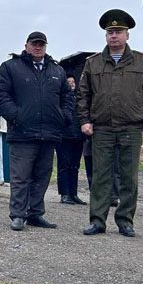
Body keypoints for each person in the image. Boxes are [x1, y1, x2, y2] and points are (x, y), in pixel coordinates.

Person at [77, 9, 143, 237]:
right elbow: (83, 95)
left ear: (127, 35)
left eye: (118, 31)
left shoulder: (142, 62)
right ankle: (97, 221)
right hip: (102, 127)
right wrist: (85, 120)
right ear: (106, 36)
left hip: (131, 127)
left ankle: (125, 221)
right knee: (101, 176)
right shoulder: (92, 63)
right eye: (110, 32)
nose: (114, 36)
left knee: (128, 177)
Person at [0, 31, 73, 230]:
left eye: (41, 44)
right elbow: (0, 95)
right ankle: (18, 215)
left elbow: (67, 97)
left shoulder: (57, 70)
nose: (38, 47)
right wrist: (16, 116)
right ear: (26, 45)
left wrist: (64, 116)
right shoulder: (10, 68)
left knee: (42, 176)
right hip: (22, 133)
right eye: (34, 44)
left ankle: (35, 213)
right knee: (21, 177)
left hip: (49, 133)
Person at [57, 76, 87, 205]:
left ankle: (73, 193)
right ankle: (64, 193)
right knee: (64, 165)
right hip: (64, 136)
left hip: (78, 136)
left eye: (73, 82)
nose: (71, 84)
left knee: (75, 166)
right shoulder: (61, 98)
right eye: (68, 82)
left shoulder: (80, 98)